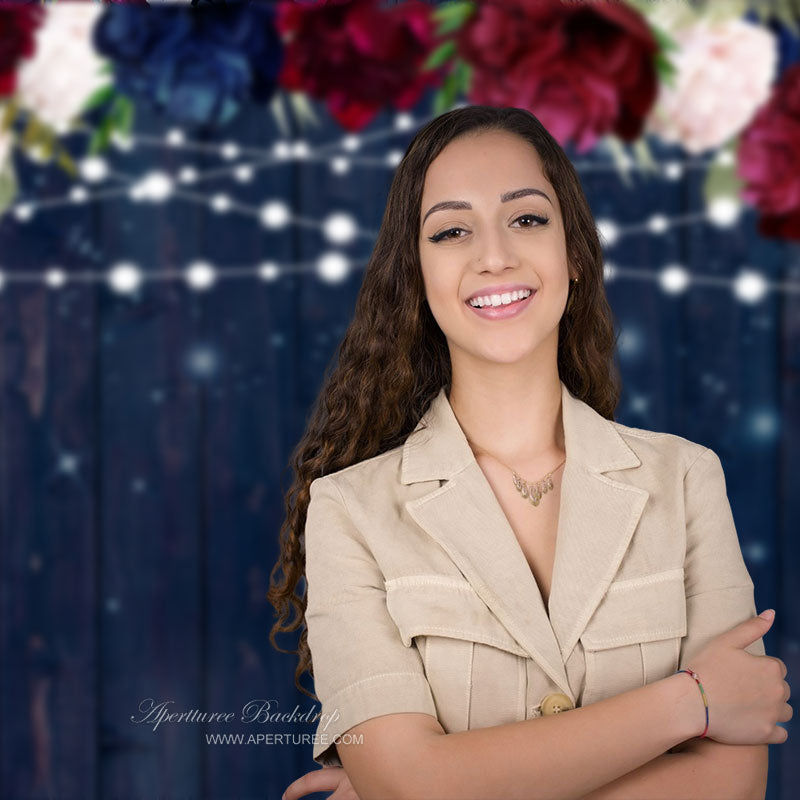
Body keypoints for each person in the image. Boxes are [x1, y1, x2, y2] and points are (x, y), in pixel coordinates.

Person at [268, 105, 791, 800]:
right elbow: (409, 785)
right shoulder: (348, 512)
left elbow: (732, 784)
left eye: (527, 219)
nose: (494, 256)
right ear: (416, 276)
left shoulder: (687, 480)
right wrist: (690, 702)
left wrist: (442, 783)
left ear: (572, 251)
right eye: (452, 231)